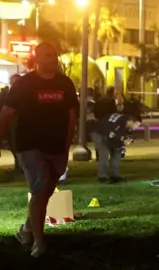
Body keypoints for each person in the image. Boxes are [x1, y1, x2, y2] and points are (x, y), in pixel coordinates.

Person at [0, 42, 78, 257]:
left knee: (46, 190)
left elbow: (72, 116)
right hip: (29, 145)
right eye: (47, 55)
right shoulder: (25, 84)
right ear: (37, 59)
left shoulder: (65, 83)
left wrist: (66, 146)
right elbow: (7, 113)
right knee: (41, 185)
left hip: (56, 146)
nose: (52, 58)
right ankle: (39, 243)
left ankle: (26, 230)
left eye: (54, 54)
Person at [91, 113, 141, 183]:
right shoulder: (119, 122)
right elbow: (111, 134)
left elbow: (118, 135)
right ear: (130, 122)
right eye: (136, 125)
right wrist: (123, 140)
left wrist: (123, 142)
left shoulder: (125, 122)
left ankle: (114, 175)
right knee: (104, 153)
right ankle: (102, 177)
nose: (136, 127)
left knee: (117, 152)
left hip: (108, 133)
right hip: (99, 133)